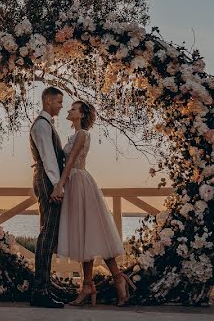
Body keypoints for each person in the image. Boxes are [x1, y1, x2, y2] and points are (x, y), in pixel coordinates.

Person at [54, 100, 135, 306]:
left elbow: (71, 161)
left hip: (79, 183)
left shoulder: (82, 134)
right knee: (84, 235)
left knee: (92, 232)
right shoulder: (75, 135)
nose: (69, 110)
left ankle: (118, 278)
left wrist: (59, 185)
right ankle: (88, 284)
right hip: (75, 183)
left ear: (81, 115)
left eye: (73, 108)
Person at [28, 86, 66, 308]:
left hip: (45, 178)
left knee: (48, 233)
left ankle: (44, 288)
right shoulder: (42, 125)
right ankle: (40, 291)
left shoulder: (46, 124)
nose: (61, 106)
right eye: (59, 102)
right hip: (47, 179)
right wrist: (56, 187)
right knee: (47, 233)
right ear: (49, 101)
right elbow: (49, 158)